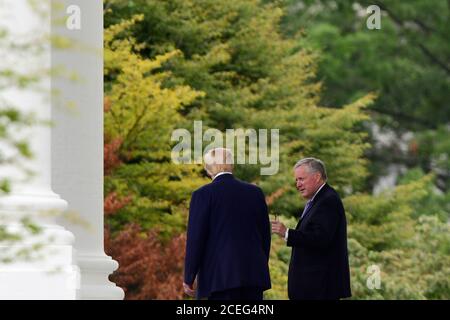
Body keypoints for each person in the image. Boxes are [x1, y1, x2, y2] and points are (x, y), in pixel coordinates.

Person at [183, 148, 271, 300]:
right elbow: (265, 236)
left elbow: (196, 238)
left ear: (208, 168)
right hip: (253, 274)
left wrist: (189, 276)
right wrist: (259, 264)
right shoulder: (255, 192)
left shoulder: (203, 194)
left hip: (220, 277)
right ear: (231, 165)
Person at [271, 158, 351, 300]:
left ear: (317, 177)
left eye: (301, 179)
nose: (298, 184)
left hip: (319, 289)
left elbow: (320, 239)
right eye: (296, 180)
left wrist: (287, 233)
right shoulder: (319, 200)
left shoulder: (328, 200)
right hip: (313, 288)